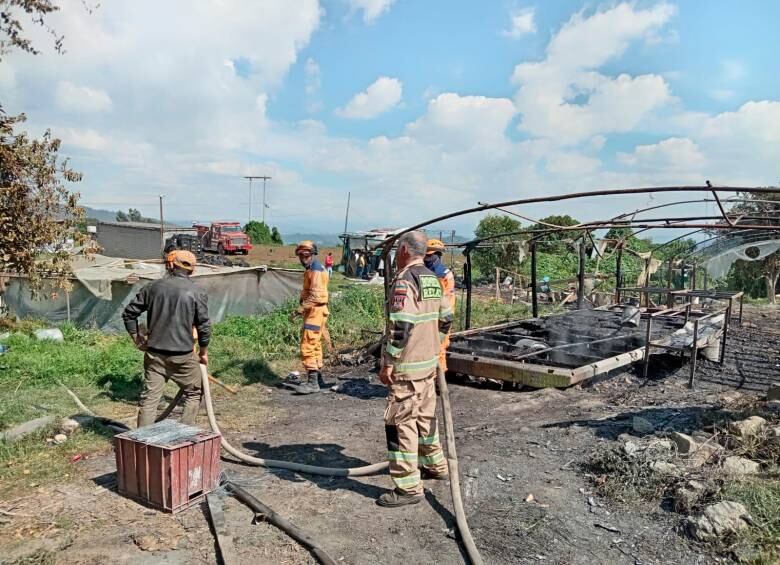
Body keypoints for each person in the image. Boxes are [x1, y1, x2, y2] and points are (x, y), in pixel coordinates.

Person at [377, 230, 454, 507]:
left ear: (405, 251)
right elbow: (447, 317)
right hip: (427, 365)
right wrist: (435, 344)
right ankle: (436, 465)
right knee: (425, 417)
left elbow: (402, 326)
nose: (397, 253)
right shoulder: (433, 279)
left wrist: (389, 362)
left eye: (398, 249)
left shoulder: (405, 280)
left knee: (400, 425)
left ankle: (408, 487)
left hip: (407, 368)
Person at [122, 250, 210, 428]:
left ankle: (143, 443)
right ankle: (183, 436)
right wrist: (203, 353)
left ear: (170, 265)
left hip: (155, 356)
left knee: (149, 399)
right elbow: (204, 327)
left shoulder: (152, 288)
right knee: (194, 393)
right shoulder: (197, 292)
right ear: (191, 270)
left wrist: (136, 338)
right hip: (184, 357)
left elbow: (129, 314)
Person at [290, 240, 330, 394]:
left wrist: (299, 309)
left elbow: (316, 296)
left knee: (307, 345)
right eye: (300, 256)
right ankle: (317, 379)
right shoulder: (312, 269)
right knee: (316, 345)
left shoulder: (316, 270)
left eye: (306, 256)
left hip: (315, 312)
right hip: (315, 312)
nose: (303, 259)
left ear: (312, 255)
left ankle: (313, 383)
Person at [423, 239, 456, 373]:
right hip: (425, 318)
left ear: (438, 255)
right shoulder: (421, 271)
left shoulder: (444, 275)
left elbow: (446, 301)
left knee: (439, 347)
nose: (428, 258)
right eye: (426, 255)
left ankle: (438, 381)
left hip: (441, 318)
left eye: (431, 255)